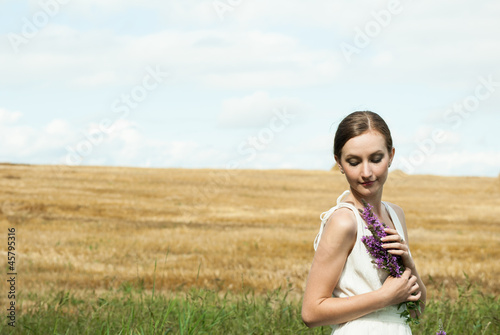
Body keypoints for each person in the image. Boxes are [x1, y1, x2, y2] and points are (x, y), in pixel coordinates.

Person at [301, 111, 426, 334]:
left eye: (376, 159)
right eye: (353, 162)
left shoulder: (396, 215)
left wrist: (409, 263)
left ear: (391, 155)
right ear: (338, 162)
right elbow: (311, 312)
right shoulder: (343, 221)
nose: (366, 172)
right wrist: (383, 297)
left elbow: (417, 310)